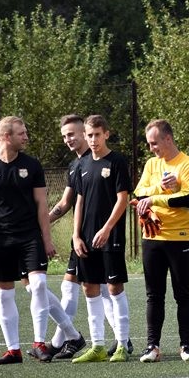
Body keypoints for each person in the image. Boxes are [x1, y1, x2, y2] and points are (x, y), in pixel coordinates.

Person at [0, 116, 58, 364]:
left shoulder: (32, 165)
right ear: (6, 137)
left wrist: (47, 240)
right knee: (5, 294)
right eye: (22, 133)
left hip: (30, 237)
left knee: (39, 285)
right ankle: (13, 350)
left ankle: (39, 343)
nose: (26, 137)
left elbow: (42, 205)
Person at [44, 114, 113, 360]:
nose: (68, 139)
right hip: (81, 236)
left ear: (84, 133)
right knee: (79, 286)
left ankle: (68, 340)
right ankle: (65, 340)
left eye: (72, 134)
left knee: (100, 288)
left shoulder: (100, 161)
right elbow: (65, 203)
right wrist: (42, 224)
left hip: (97, 236)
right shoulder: (75, 165)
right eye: (64, 136)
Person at [133, 119, 189, 363]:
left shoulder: (188, 164)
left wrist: (155, 198)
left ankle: (186, 346)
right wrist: (159, 189)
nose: (151, 148)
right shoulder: (151, 164)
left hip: (179, 237)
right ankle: (152, 347)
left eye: (154, 143)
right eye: (149, 144)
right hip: (152, 237)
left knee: (183, 294)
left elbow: (187, 198)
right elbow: (138, 193)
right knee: (154, 295)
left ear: (168, 139)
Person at [70, 115, 133, 363]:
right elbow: (79, 202)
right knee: (89, 287)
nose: (93, 140)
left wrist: (107, 229)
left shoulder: (117, 161)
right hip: (86, 237)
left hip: (111, 236)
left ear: (106, 134)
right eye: (89, 135)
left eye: (97, 134)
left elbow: (122, 199)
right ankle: (97, 346)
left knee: (114, 287)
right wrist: (76, 235)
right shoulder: (82, 165)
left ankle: (122, 345)